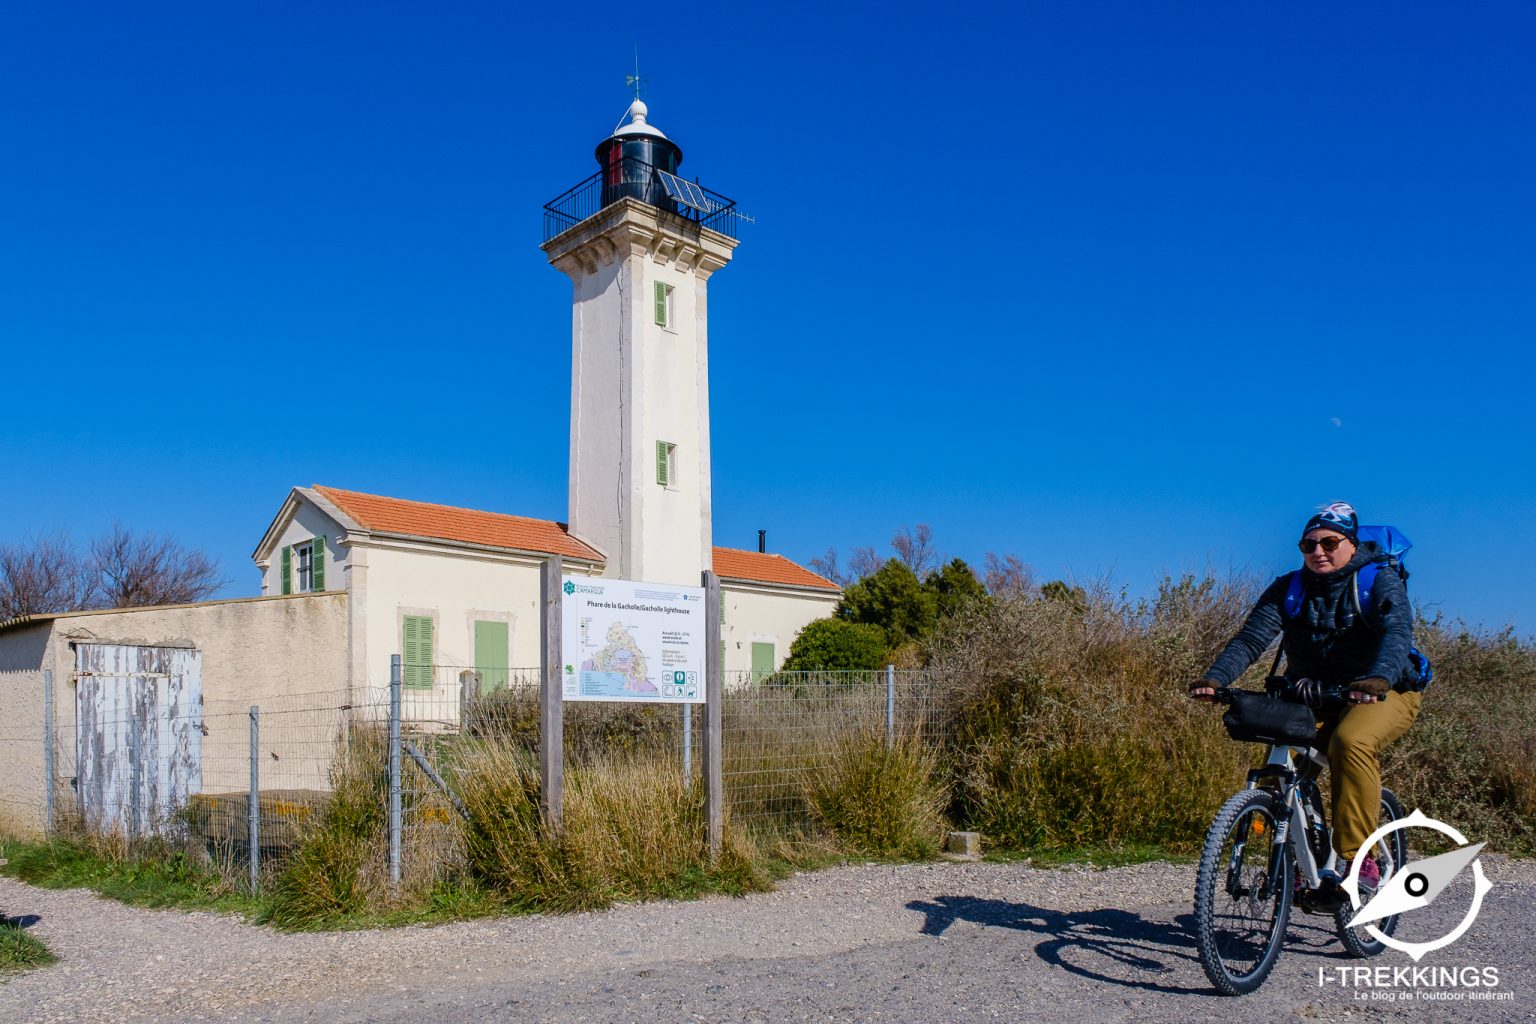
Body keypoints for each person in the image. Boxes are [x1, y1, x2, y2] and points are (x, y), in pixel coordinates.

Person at [1189, 502, 1421, 889]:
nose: (1318, 552)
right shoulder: (1289, 588)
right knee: (1282, 765)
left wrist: (1378, 678)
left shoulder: (1377, 581)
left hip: (1385, 690)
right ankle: (1297, 858)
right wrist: (1215, 679)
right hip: (1315, 694)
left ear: (1351, 543)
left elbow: (1397, 633)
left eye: (1330, 542)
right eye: (1308, 545)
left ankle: (1358, 858)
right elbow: (1251, 640)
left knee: (1351, 742)